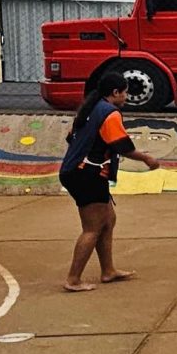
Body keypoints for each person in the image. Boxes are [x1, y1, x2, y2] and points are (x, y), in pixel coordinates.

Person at [58, 71, 160, 292]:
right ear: (115, 92)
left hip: (79, 171)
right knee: (92, 228)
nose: (126, 97)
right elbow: (122, 146)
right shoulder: (109, 113)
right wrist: (147, 158)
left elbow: (71, 137)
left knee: (108, 220)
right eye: (125, 93)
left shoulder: (90, 108)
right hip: (86, 174)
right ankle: (73, 279)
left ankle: (108, 270)